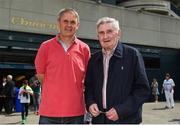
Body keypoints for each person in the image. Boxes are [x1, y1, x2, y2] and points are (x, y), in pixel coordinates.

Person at [84, 17, 150, 124]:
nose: (105, 36)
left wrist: (121, 110)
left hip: (126, 120)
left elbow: (142, 90)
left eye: (109, 31)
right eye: (101, 33)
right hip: (100, 120)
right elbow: (89, 87)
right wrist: (90, 103)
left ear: (118, 34)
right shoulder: (94, 59)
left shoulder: (133, 55)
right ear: (98, 36)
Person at [35, 8, 91, 124]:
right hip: (49, 114)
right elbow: (41, 76)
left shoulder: (84, 49)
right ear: (58, 23)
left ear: (77, 25)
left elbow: (86, 78)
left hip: (76, 113)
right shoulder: (45, 47)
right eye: (65, 21)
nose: (69, 25)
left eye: (72, 22)